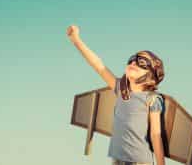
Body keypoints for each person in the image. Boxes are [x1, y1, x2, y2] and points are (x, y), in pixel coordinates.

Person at [66, 25, 166, 165]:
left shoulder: (152, 99)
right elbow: (98, 65)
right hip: (117, 160)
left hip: (139, 161)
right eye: (132, 59)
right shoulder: (121, 89)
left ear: (152, 75)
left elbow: (156, 134)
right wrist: (76, 40)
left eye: (141, 62)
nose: (133, 62)